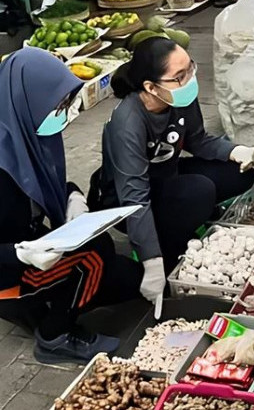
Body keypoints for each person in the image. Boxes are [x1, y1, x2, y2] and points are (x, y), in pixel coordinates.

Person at [91, 38, 254, 311]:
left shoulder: (179, 96)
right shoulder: (128, 123)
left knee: (241, 172)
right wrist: (151, 260)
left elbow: (198, 140)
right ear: (150, 87)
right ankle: (167, 242)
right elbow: (134, 198)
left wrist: (237, 151)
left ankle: (183, 214)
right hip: (125, 200)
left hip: (166, 176)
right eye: (180, 76)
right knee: (199, 192)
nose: (191, 80)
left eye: (190, 69)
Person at [0, 48, 143, 364]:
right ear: (29, 100)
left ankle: (51, 302)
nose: (63, 114)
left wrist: (73, 198)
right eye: (58, 106)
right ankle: (54, 337)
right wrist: (20, 253)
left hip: (37, 250)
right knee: (93, 257)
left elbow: (47, 183)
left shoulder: (27, 133)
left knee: (130, 279)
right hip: (6, 277)